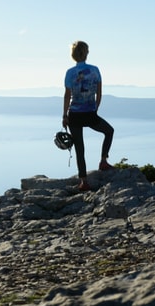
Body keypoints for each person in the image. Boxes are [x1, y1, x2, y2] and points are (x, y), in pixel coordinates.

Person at [62, 41, 115, 192]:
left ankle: (83, 182)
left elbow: (67, 96)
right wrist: (95, 108)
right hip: (90, 113)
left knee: (80, 148)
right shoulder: (95, 70)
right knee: (109, 131)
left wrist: (64, 115)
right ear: (86, 53)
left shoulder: (70, 73)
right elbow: (99, 93)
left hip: (74, 114)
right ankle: (103, 161)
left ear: (73, 55)